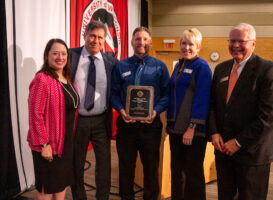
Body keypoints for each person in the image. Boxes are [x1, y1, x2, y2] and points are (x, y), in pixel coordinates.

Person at [208, 23, 273, 200]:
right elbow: (212, 105)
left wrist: (239, 142)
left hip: (252, 154)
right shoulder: (220, 69)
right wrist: (214, 132)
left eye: (241, 41)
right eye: (232, 40)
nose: (235, 45)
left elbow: (270, 115)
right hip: (223, 151)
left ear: (253, 43)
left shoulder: (267, 69)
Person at [111, 27, 169, 200]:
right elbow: (113, 93)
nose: (141, 43)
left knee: (151, 168)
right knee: (126, 167)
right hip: (126, 126)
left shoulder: (160, 66)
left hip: (150, 127)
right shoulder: (121, 65)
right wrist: (121, 110)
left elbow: (166, 95)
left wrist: (155, 111)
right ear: (132, 42)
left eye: (145, 39)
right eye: (137, 39)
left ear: (150, 42)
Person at [70, 21, 118, 200]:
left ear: (104, 40)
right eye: (92, 35)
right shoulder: (70, 55)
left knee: (104, 165)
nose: (95, 40)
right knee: (77, 165)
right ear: (85, 35)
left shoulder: (111, 62)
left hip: (101, 121)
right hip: (78, 120)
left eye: (100, 37)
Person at [27, 38, 79, 200]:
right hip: (49, 146)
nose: (60, 57)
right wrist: (45, 144)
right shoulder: (42, 80)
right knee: (47, 189)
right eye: (55, 53)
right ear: (47, 56)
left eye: (63, 54)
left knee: (61, 184)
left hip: (65, 144)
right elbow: (35, 115)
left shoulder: (67, 78)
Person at [166, 28, 211, 200]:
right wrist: (168, 123)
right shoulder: (179, 65)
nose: (187, 47)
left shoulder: (202, 67)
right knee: (177, 172)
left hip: (192, 131)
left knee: (193, 175)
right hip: (176, 130)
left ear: (198, 46)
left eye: (191, 44)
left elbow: (202, 98)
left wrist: (192, 127)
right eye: (183, 43)